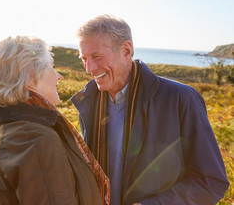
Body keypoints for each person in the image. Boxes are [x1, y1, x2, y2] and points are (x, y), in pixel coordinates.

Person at [71, 15, 229, 205]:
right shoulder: (88, 101)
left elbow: (211, 182)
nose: (89, 68)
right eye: (84, 59)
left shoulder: (181, 98)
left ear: (126, 50)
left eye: (96, 57)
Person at [0, 35, 110, 205]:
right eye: (51, 68)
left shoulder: (17, 128)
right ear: (31, 74)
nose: (58, 76)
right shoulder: (34, 139)